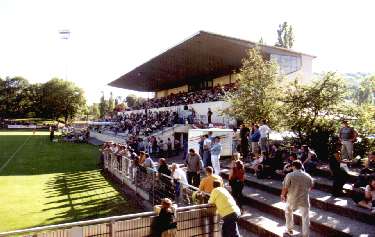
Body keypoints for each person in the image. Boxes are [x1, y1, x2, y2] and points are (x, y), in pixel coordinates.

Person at [281, 160, 314, 237]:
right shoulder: (308, 175)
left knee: (288, 212)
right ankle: (305, 235)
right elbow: (311, 186)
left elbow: (285, 187)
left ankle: (289, 229)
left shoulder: (290, 175)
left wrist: (282, 195)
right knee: (305, 218)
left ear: (293, 166)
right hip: (304, 199)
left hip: (292, 198)